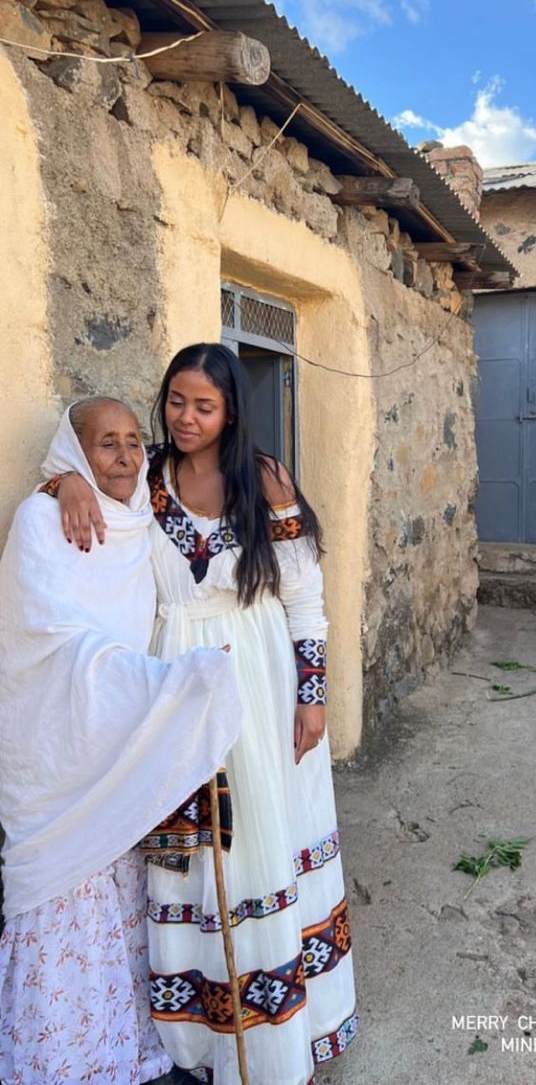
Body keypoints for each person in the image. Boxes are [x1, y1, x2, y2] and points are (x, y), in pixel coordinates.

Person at [55, 346, 358, 1085]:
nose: (184, 418)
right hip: (171, 675)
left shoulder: (263, 480)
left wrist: (312, 697)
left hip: (254, 672)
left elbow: (305, 599)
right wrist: (65, 480)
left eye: (204, 406)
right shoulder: (147, 475)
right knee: (185, 847)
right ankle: (197, 1039)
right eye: (176, 402)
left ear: (230, 413)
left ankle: (276, 1040)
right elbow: (71, 454)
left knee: (256, 837)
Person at [0, 398, 242, 1085]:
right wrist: (164, 685)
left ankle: (122, 1041)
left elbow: (183, 596)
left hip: (121, 754)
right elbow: (51, 647)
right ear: (73, 451)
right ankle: (61, 1059)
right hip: (59, 761)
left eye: (136, 442)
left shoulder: (141, 523)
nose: (127, 457)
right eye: (105, 445)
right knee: (63, 905)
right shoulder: (41, 520)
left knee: (120, 904)